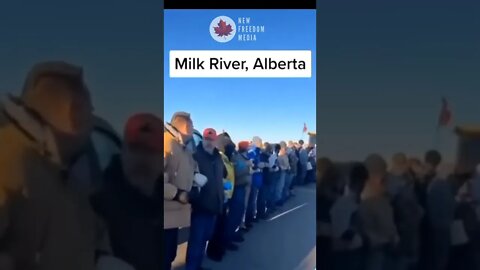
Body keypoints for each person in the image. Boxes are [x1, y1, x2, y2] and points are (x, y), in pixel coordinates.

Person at [0, 62, 114, 270]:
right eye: (88, 109)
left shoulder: (67, 167)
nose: (92, 116)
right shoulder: (10, 159)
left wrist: (101, 255)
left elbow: (87, 224)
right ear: (73, 114)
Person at [91, 113, 164, 270]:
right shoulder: (97, 202)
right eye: (135, 149)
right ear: (123, 151)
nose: (142, 159)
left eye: (150, 151)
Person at [164, 112, 200, 270]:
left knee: (169, 254)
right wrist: (178, 194)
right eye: (192, 126)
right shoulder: (166, 143)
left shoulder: (183, 147)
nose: (193, 130)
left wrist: (197, 176)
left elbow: (192, 166)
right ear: (186, 127)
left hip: (173, 214)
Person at [186, 128, 226, 270]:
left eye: (211, 139)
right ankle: (191, 267)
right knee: (196, 242)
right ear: (202, 139)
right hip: (200, 206)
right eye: (206, 139)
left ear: (215, 140)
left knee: (204, 239)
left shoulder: (218, 156)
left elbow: (223, 175)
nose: (209, 142)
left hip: (215, 205)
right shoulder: (194, 155)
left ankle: (197, 266)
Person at [358, 154, 398, 270]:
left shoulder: (358, 190)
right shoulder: (379, 196)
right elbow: (388, 227)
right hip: (379, 249)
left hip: (362, 246)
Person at [330, 163, 368, 270]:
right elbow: (340, 234)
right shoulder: (344, 204)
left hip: (351, 252)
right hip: (346, 255)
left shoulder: (351, 202)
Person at [206, 133, 235, 261]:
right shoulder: (218, 157)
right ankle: (213, 251)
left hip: (226, 195)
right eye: (227, 144)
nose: (230, 146)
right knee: (217, 226)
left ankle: (219, 247)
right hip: (219, 196)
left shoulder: (226, 157)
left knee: (222, 224)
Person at [225, 141, 252, 251]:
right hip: (237, 188)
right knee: (234, 214)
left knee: (239, 213)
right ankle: (228, 239)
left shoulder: (242, 157)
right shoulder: (236, 158)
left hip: (242, 187)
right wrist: (247, 166)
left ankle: (232, 235)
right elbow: (234, 173)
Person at [276, 141, 290, 206]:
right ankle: (278, 200)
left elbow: (287, 163)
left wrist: (288, 166)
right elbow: (279, 165)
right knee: (279, 187)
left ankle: (281, 198)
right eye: (284, 147)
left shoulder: (285, 155)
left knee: (283, 186)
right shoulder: (279, 155)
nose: (285, 149)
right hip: (281, 172)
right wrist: (285, 167)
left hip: (285, 172)